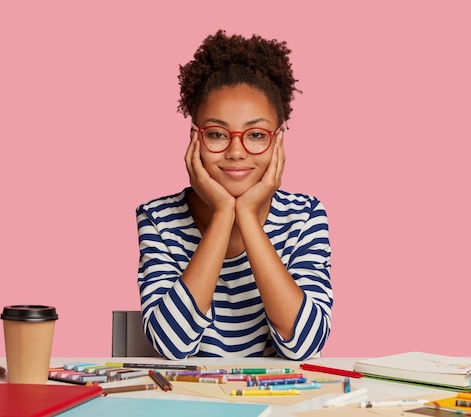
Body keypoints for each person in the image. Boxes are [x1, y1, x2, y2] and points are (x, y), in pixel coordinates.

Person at [136, 30, 332, 360]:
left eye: (256, 135)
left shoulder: (305, 215)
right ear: (194, 138)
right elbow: (172, 345)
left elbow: (303, 345)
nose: (236, 151)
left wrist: (248, 219)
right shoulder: (158, 218)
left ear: (279, 140)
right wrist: (224, 213)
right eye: (216, 134)